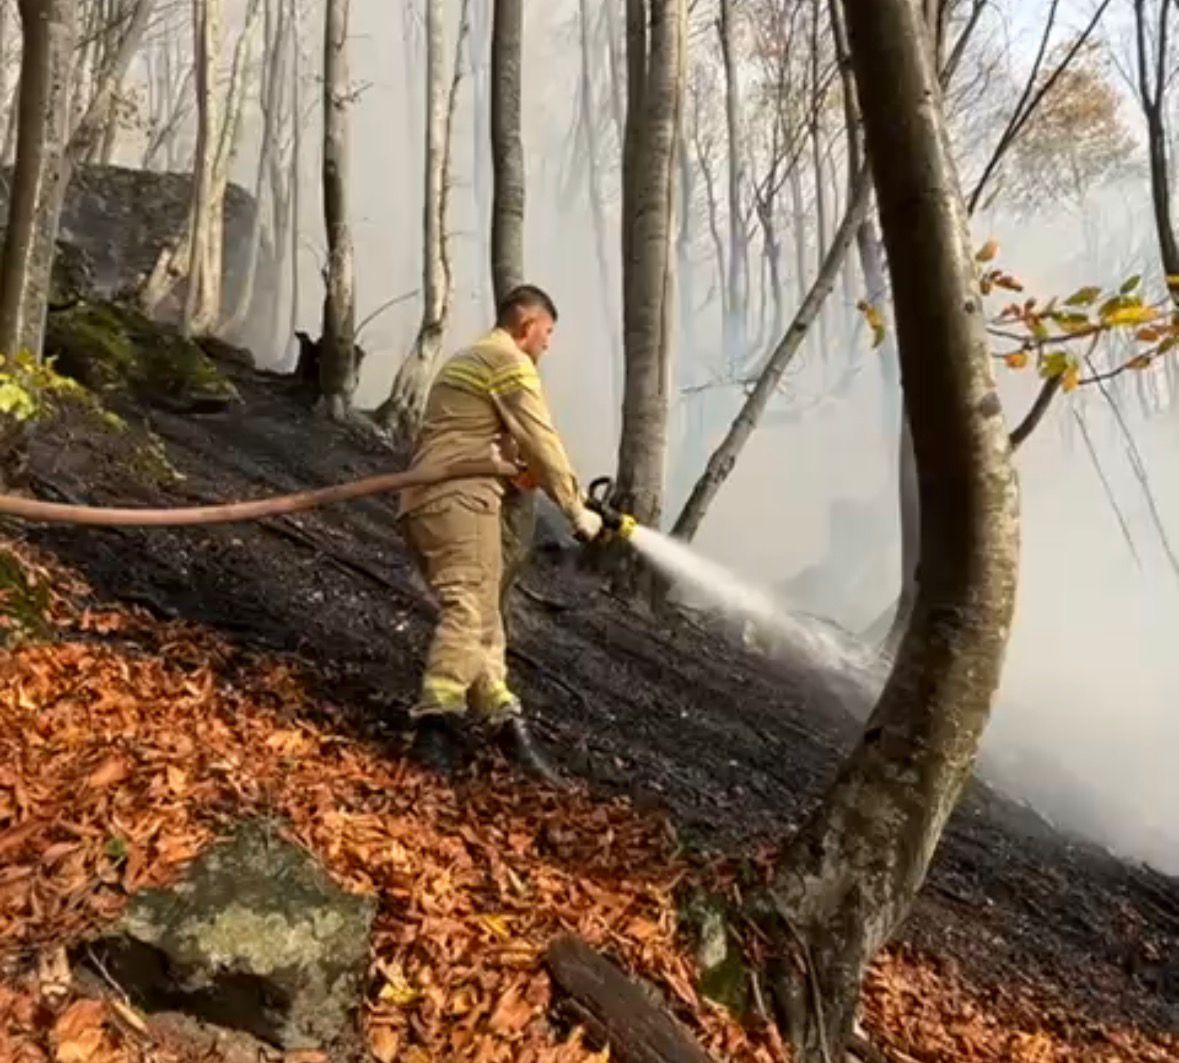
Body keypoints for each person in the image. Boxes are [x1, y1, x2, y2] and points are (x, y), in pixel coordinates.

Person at [397, 284, 604, 781]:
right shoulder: (509, 362)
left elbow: (493, 443)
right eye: (547, 332)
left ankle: (504, 721)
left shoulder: (472, 359)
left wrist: (522, 472)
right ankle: (436, 724)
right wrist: (576, 509)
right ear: (527, 325)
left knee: (486, 618)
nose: (548, 344)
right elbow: (542, 440)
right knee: (469, 607)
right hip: (459, 496)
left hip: (433, 498)